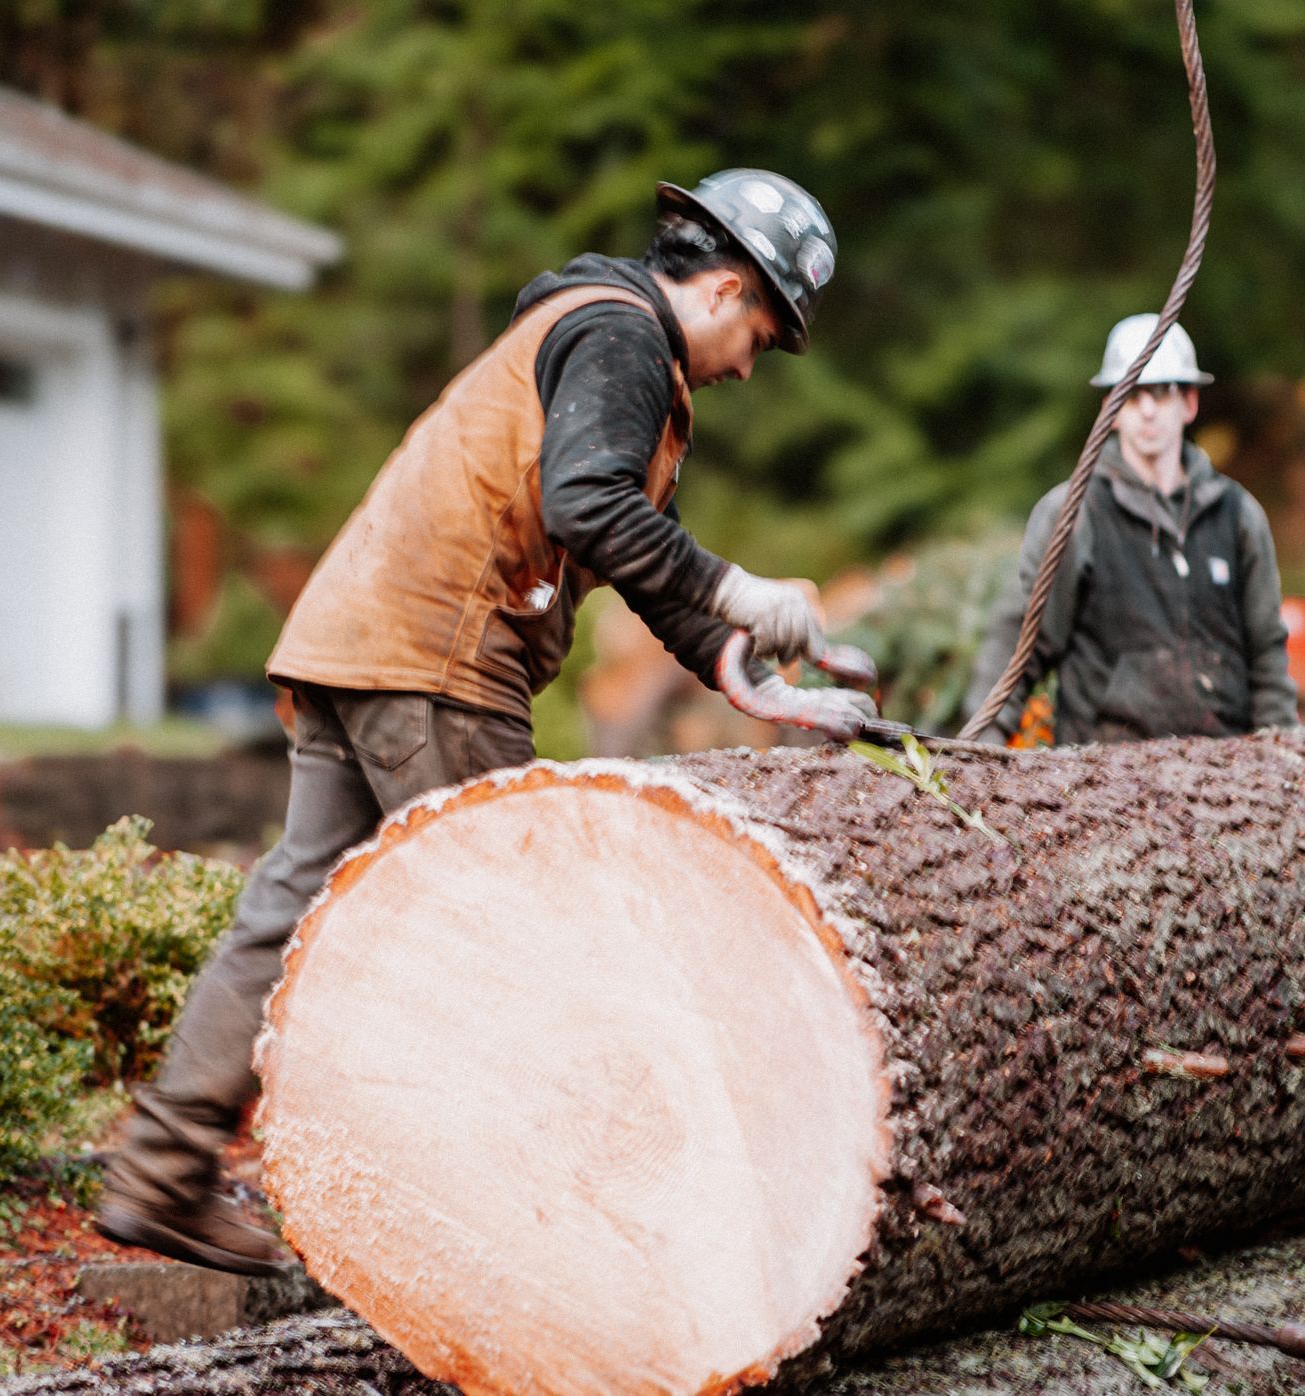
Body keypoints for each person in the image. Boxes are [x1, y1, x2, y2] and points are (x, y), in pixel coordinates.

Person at [95, 169, 875, 1274]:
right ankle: (514, 1235)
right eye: (763, 328)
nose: (752, 360)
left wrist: (731, 664)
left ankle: (161, 1175)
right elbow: (587, 506)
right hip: (437, 663)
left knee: (289, 908)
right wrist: (746, 586)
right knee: (516, 935)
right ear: (728, 285)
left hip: (360, 641)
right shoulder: (623, 342)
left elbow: (631, 541)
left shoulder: (593, 332)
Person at [964, 314, 1297, 745]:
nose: (1147, 410)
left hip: (1223, 778)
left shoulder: (1238, 516)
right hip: (1103, 779)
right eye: (1132, 393)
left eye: (1162, 392)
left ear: (1190, 403)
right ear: (1110, 409)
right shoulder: (1075, 514)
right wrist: (975, 753)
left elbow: (1267, 657)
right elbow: (1018, 647)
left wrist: (1283, 761)